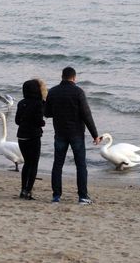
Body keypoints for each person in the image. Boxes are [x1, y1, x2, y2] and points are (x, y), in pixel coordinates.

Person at [44, 67, 100, 205]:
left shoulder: (53, 91)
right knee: (81, 165)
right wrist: (95, 135)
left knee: (58, 165)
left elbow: (47, 113)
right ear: (74, 78)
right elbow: (86, 115)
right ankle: (82, 197)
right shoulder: (78, 92)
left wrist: (58, 111)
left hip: (60, 133)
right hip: (76, 134)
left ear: (62, 76)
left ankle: (56, 196)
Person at [15, 78, 47, 200]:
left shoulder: (21, 103)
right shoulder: (38, 103)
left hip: (21, 136)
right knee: (34, 164)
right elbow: (39, 121)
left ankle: (23, 190)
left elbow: (17, 121)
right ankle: (28, 191)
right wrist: (42, 123)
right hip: (33, 136)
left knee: (27, 163)